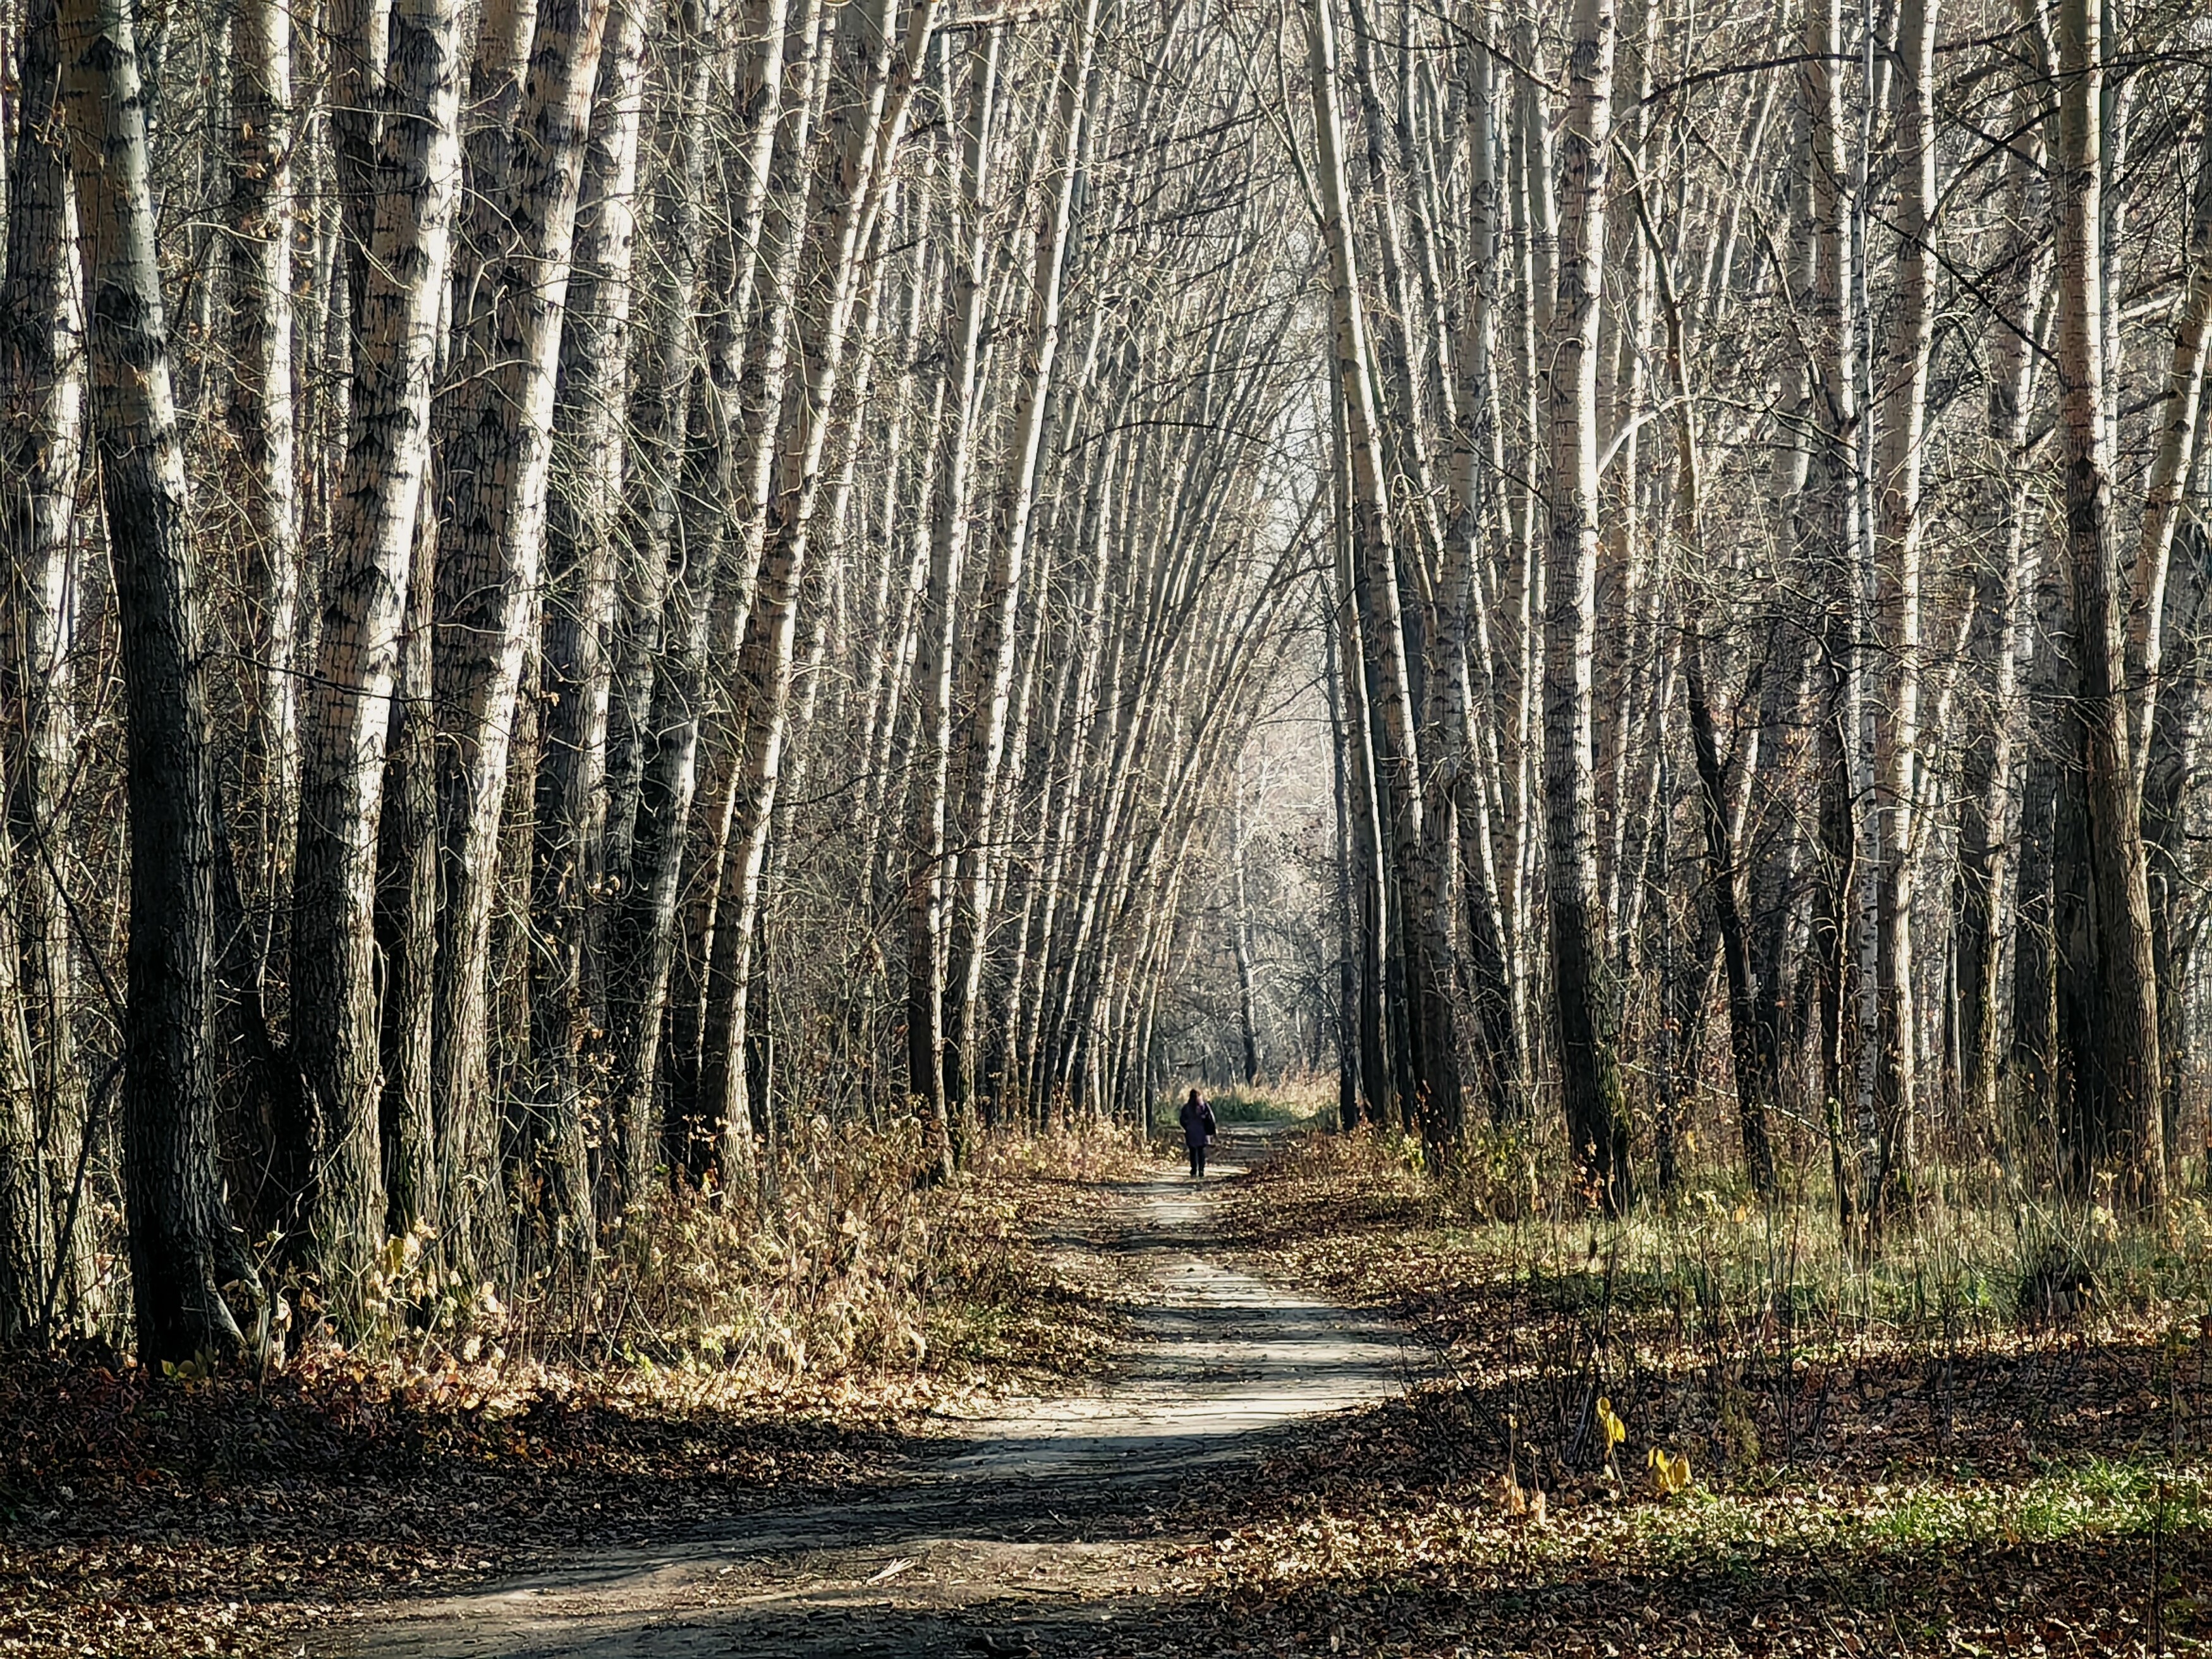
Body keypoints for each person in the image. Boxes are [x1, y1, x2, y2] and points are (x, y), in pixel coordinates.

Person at [1177, 1088, 1218, 1179]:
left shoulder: (1186, 1108)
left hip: (1191, 1132)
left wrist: (1187, 1127)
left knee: (1192, 1152)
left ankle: (1194, 1170)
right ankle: (1201, 1170)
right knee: (1201, 1152)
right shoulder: (1204, 1107)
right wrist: (1211, 1130)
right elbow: (1211, 1118)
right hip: (1202, 1133)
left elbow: (1182, 1120)